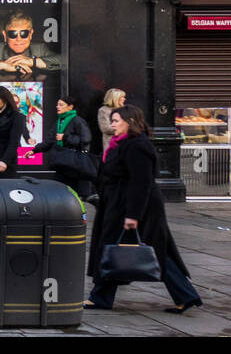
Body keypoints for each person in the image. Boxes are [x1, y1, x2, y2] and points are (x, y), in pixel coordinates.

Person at [85, 104, 202, 315]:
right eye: (112, 121)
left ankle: (184, 295)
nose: (112, 125)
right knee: (116, 247)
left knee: (152, 251)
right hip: (117, 204)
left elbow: (141, 182)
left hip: (136, 207)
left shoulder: (138, 146)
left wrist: (133, 215)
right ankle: (101, 296)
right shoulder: (120, 143)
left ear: (130, 122)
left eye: (116, 121)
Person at [24, 95, 96, 203]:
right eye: (57, 104)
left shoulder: (77, 121)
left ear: (70, 107)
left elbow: (85, 140)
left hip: (75, 163)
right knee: (61, 190)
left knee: (76, 194)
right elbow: (49, 141)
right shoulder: (59, 122)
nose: (57, 107)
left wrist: (65, 137)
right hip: (63, 161)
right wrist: (34, 150)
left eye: (61, 105)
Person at [0, 11, 61, 76]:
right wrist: (3, 65)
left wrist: (33, 62)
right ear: (5, 35)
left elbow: (64, 60)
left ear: (30, 34)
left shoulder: (39, 49)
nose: (18, 39)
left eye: (24, 33)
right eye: (12, 34)